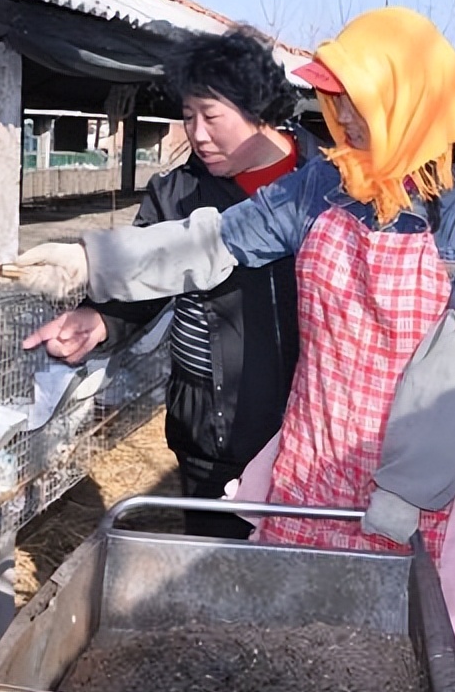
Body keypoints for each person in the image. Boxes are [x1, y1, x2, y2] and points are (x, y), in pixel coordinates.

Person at [11, 7, 455, 692]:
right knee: (302, 639)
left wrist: (408, 486)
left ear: (411, 97)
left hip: (437, 465)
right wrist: (91, 261)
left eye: (356, 100)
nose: (342, 116)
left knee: (421, 646)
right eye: (334, 101)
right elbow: (215, 242)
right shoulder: (326, 186)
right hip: (322, 444)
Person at [23, 30, 322, 539]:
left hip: (311, 424)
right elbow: (146, 278)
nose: (198, 134)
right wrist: (98, 319)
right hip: (213, 426)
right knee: (211, 568)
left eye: (211, 115)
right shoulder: (177, 192)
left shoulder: (325, 185)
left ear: (258, 107)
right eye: (188, 116)